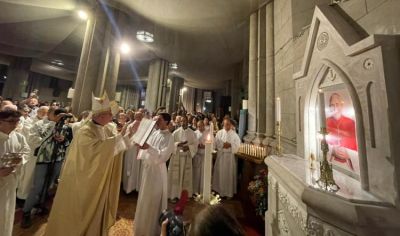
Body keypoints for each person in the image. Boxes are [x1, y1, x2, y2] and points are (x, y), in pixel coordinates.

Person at [44, 93, 133, 236]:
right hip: (83, 182)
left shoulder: (105, 128)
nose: (112, 117)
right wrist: (120, 137)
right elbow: (96, 152)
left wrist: (126, 136)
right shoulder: (86, 131)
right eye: (110, 114)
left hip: (99, 178)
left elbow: (112, 149)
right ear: (101, 115)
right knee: (81, 211)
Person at [21, 108, 73, 228]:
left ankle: (40, 204)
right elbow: (35, 141)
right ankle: (26, 212)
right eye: (57, 115)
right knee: (37, 187)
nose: (60, 118)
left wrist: (63, 140)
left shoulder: (66, 128)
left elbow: (69, 143)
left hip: (58, 159)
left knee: (49, 184)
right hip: (42, 160)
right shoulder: (39, 125)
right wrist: (53, 124)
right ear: (50, 114)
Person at [134, 113, 175, 236]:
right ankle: (142, 228)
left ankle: (152, 231)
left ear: (167, 122)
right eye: (156, 119)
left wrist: (148, 147)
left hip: (157, 171)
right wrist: (141, 145)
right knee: (145, 198)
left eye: (160, 119)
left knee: (154, 200)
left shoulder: (170, 137)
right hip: (148, 170)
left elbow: (163, 156)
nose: (157, 121)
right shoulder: (155, 133)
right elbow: (146, 149)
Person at [0, 110, 30, 236]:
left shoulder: (19, 137)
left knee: (6, 212)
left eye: (17, 121)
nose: (15, 124)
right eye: (11, 121)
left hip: (10, 182)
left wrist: (18, 162)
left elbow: (26, 152)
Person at [16, 106, 49, 201]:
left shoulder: (46, 123)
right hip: (29, 150)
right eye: (42, 112)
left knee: (33, 176)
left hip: (39, 152)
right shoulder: (29, 121)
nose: (43, 114)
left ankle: (30, 195)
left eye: (45, 113)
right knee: (26, 174)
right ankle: (21, 195)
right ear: (38, 111)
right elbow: (31, 137)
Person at [168, 116, 198, 200]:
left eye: (184, 121)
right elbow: (171, 144)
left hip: (187, 157)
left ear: (188, 121)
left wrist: (188, 147)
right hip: (177, 157)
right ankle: (174, 195)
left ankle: (184, 196)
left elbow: (195, 145)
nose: (183, 123)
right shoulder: (176, 132)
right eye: (181, 121)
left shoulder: (192, 133)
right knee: (176, 176)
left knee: (185, 177)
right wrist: (178, 144)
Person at [326, 93, 357, 170]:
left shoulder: (351, 122)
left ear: (341, 105)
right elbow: (321, 142)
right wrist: (332, 150)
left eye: (337, 104)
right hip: (331, 161)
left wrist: (349, 155)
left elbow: (357, 144)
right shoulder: (326, 122)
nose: (335, 107)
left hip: (347, 163)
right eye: (332, 105)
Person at [212, 118, 241, 198]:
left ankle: (228, 193)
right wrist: (222, 145)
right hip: (221, 156)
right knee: (220, 174)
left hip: (229, 158)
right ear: (223, 124)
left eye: (228, 124)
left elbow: (238, 145)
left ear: (231, 125)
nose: (226, 126)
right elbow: (216, 142)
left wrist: (231, 145)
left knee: (228, 175)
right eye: (224, 124)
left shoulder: (234, 134)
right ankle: (219, 191)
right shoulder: (219, 133)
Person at [122, 112, 144, 193]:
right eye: (137, 116)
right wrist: (130, 134)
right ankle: (129, 187)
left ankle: (137, 187)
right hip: (131, 150)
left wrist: (141, 142)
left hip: (140, 149)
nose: (138, 118)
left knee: (138, 168)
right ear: (134, 117)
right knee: (130, 167)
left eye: (140, 116)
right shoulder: (130, 125)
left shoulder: (144, 127)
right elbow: (125, 137)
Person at [192, 120, 208, 194]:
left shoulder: (208, 133)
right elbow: (192, 144)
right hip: (197, 155)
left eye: (201, 126)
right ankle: (195, 190)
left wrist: (206, 146)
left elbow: (213, 144)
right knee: (196, 173)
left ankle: (202, 191)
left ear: (204, 125)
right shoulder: (195, 133)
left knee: (204, 174)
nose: (199, 128)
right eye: (198, 126)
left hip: (205, 156)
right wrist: (197, 145)